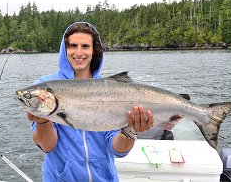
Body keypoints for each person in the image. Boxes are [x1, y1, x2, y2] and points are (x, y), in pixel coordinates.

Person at [26, 21, 154, 182]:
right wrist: (43, 122)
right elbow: (47, 146)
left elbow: (118, 150)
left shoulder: (110, 89)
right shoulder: (46, 87)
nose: (78, 52)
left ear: (94, 50)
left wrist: (130, 130)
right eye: (73, 46)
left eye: (85, 46)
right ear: (65, 49)